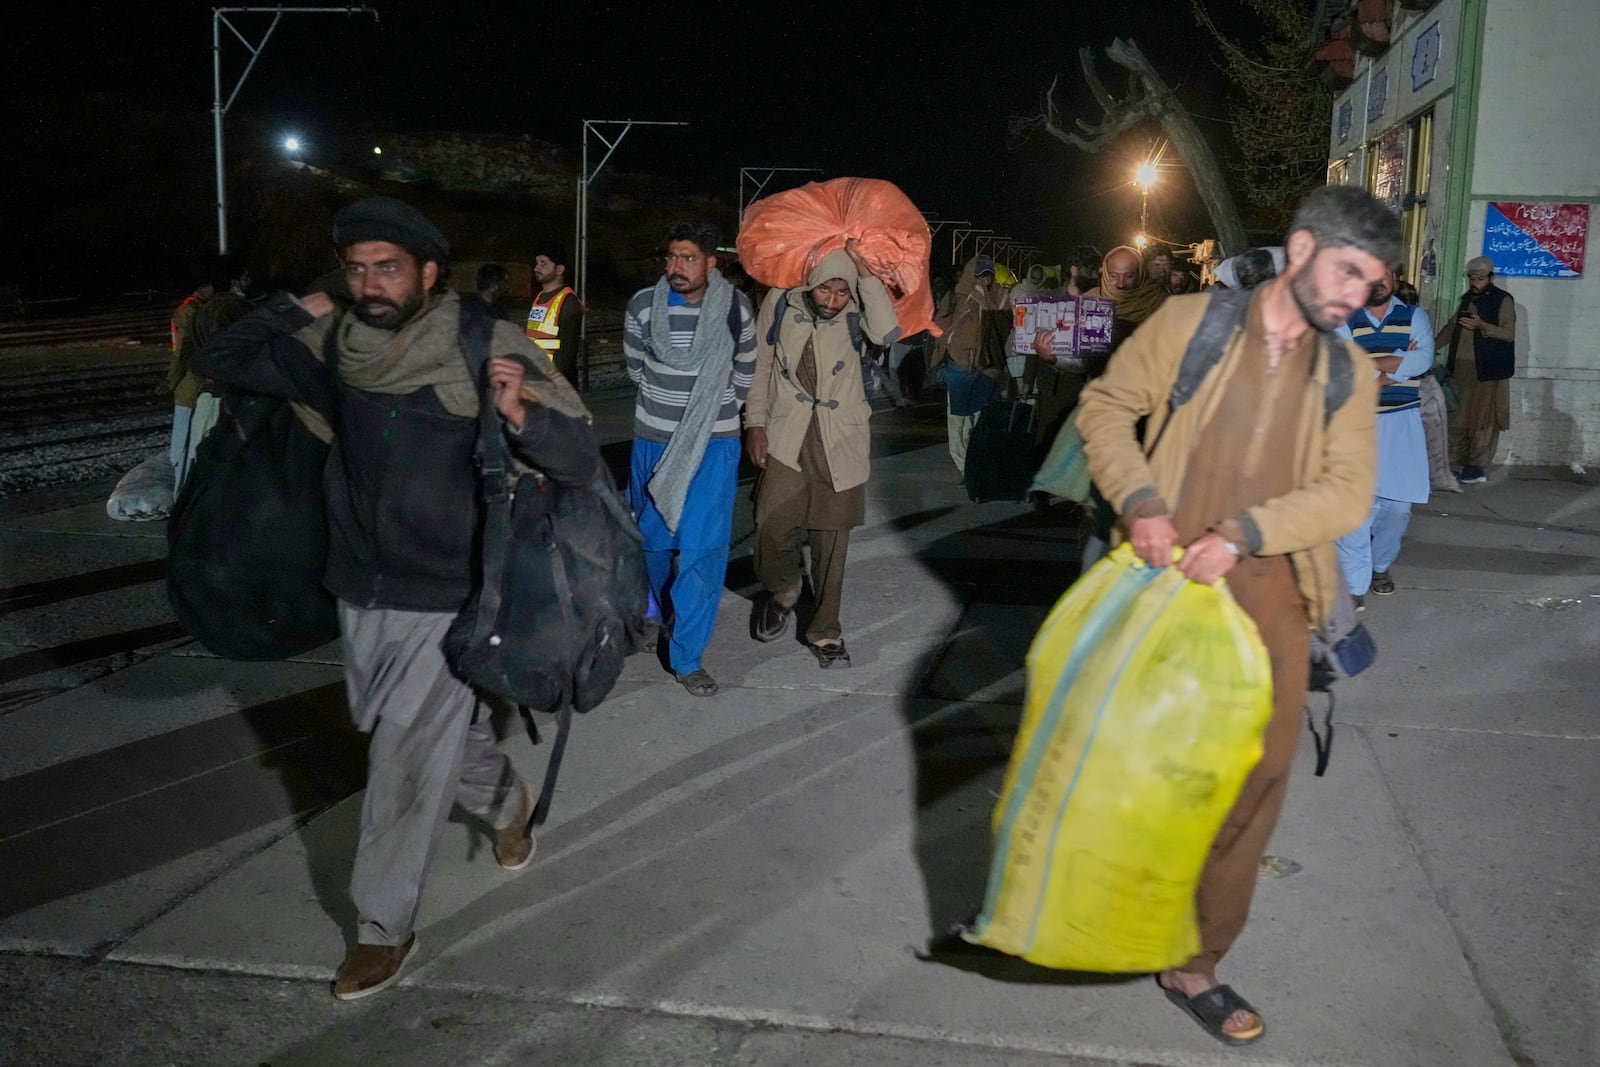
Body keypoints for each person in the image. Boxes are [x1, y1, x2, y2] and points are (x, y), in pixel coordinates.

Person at [189, 196, 602, 1002]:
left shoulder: (481, 345)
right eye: (356, 267)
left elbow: (578, 455)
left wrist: (521, 415)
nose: (370, 282)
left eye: (388, 267)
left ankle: (383, 927)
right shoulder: (336, 347)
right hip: (360, 584)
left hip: (450, 591)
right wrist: (294, 305)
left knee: (401, 758)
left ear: (428, 273)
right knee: (409, 733)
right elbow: (221, 360)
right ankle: (502, 795)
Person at [1075, 184, 1393, 1045]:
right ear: (1299, 251)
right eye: (1348, 271)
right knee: (1144, 770)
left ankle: (1194, 963)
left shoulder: (1348, 371)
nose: (1358, 295)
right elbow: (1105, 410)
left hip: (1275, 603)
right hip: (1159, 586)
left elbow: (1348, 491)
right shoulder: (1192, 325)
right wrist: (1141, 502)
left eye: (1373, 283)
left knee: (1253, 790)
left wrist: (1247, 532)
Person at [743, 244, 898, 669]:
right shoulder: (780, 301)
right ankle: (785, 588)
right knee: (770, 523)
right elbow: (760, 364)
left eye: (841, 292)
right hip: (787, 430)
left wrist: (867, 278)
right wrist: (754, 423)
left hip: (840, 437)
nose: (831, 300)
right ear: (811, 283)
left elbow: (887, 335)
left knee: (833, 541)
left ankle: (825, 629)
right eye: (824, 289)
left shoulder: (859, 310)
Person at [623, 221, 757, 697]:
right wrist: (668, 412)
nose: (677, 267)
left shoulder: (736, 310)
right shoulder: (643, 305)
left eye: (688, 258)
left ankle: (687, 656)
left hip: (713, 445)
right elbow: (635, 366)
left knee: (702, 549)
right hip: (653, 441)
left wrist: (712, 415)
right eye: (672, 258)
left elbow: (745, 373)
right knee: (652, 544)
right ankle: (653, 613)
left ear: (710, 263)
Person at [1334, 268, 1433, 606]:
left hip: (1402, 423)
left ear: (1393, 278)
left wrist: (1373, 371)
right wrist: (1397, 362)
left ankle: (1380, 565)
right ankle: (1355, 587)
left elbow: (1423, 360)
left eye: (1383, 275)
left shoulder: (1413, 315)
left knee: (1398, 509)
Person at [1436, 255, 1516, 484]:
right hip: (1460, 371)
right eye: (1472, 278)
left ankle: (1476, 467)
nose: (1475, 283)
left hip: (1486, 372)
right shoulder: (1466, 299)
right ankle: (1455, 463)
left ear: (1491, 278)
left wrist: (1482, 326)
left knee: (1481, 421)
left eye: (1480, 279)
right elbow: (1451, 329)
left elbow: (1508, 334)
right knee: (1458, 418)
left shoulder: (1503, 300)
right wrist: (1426, 347)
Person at [167, 255, 242, 491]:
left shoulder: (202, 309)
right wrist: (172, 381)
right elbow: (182, 352)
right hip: (193, 388)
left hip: (194, 388)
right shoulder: (192, 311)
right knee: (186, 452)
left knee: (191, 451)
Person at [929, 255, 1008, 476]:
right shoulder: (955, 297)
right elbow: (939, 325)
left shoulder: (1001, 296)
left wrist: (986, 301)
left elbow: (1005, 327)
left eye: (988, 274)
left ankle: (976, 467)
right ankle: (965, 468)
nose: (985, 280)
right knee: (957, 424)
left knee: (978, 423)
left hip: (987, 368)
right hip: (958, 366)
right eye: (980, 275)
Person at [525, 242, 584, 384]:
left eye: (544, 264)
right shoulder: (539, 298)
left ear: (559, 269)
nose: (537, 268)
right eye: (537, 263)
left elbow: (566, 357)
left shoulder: (568, 302)